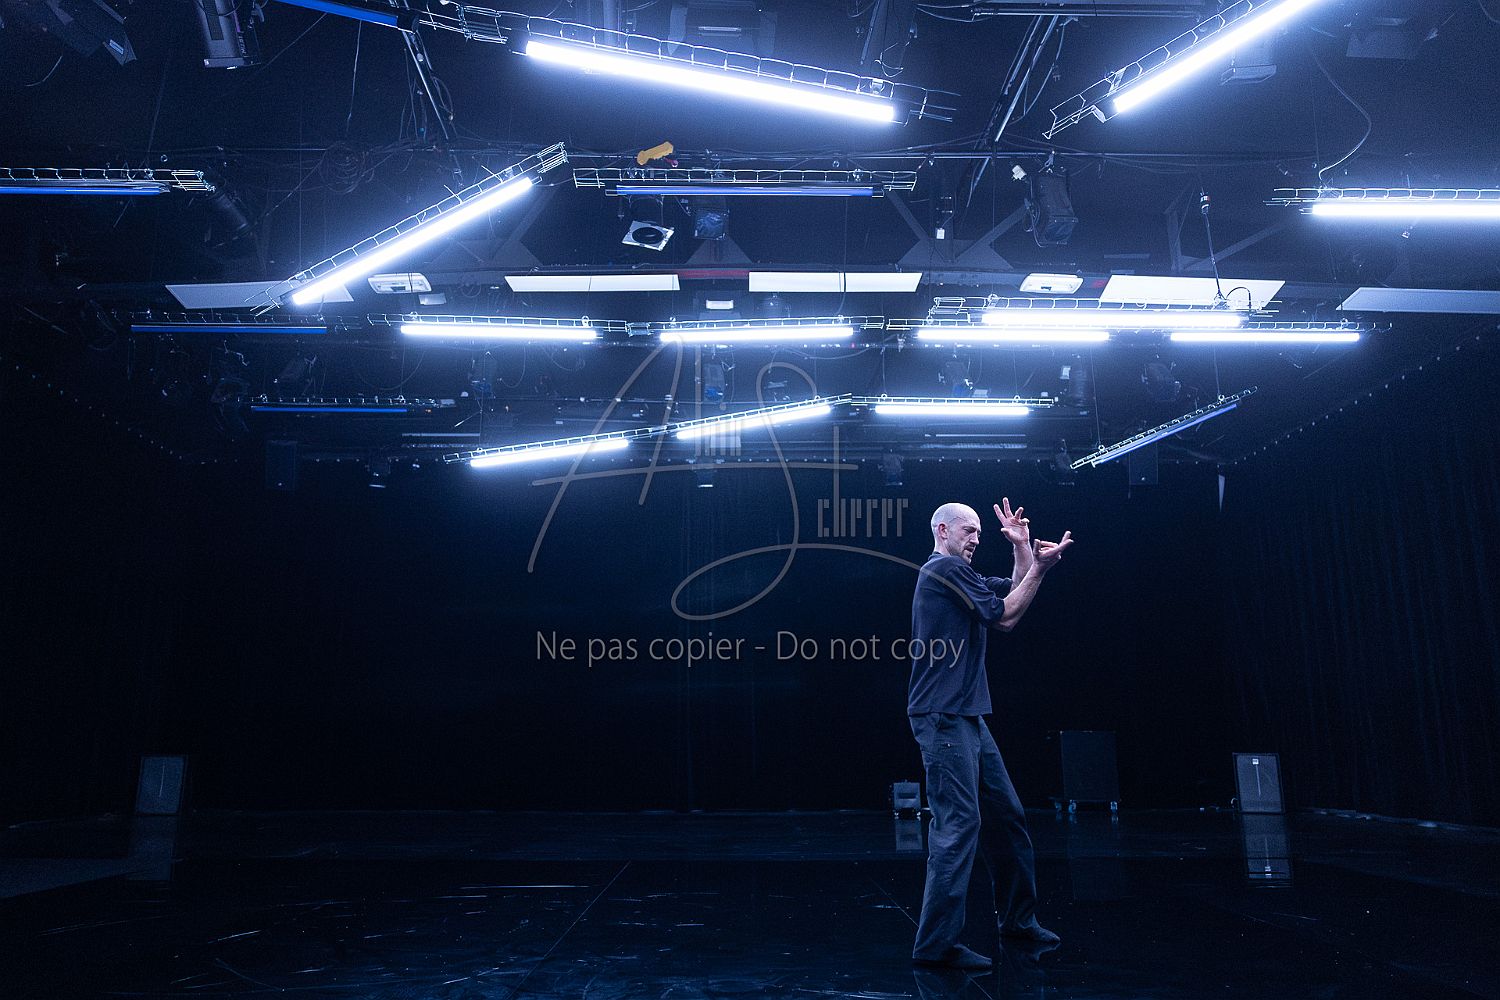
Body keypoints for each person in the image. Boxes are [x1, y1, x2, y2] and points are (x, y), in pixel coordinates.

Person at [907, 499, 1073, 971]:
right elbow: (1006, 618)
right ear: (943, 530)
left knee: (1007, 816)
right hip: (942, 716)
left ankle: (1018, 921)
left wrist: (1022, 549)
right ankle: (935, 947)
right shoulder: (942, 570)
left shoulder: (963, 574)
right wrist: (1039, 568)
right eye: (969, 530)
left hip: (968, 716)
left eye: (981, 531)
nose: (977, 539)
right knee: (959, 825)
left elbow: (1013, 591)